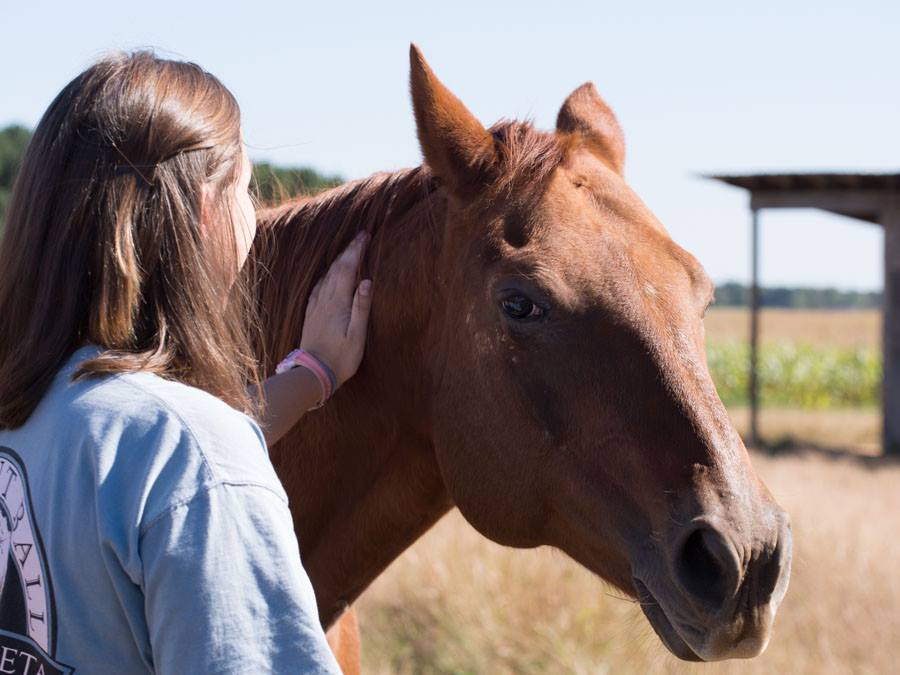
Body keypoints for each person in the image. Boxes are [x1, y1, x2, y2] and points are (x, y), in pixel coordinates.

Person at [0, 50, 371, 673]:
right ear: (204, 210)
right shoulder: (189, 451)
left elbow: (128, 460)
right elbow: (180, 462)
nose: (255, 215)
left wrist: (308, 378)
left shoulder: (28, 407)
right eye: (246, 189)